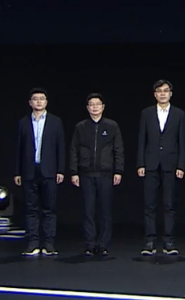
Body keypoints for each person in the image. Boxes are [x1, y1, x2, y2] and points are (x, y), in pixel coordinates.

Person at [136, 79, 185, 256]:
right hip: (150, 163)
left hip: (170, 164)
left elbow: (183, 141)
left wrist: (181, 165)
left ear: (170, 94)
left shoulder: (179, 114)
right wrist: (140, 163)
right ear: (155, 94)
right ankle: (149, 241)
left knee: (169, 204)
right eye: (159, 91)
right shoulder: (147, 113)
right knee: (149, 205)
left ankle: (169, 242)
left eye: (166, 91)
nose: (163, 94)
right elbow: (141, 139)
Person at [69, 93, 125, 257]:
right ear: (87, 108)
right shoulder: (81, 127)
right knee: (88, 210)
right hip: (86, 173)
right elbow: (74, 150)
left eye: (97, 104)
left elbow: (118, 150)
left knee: (105, 210)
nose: (94, 107)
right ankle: (90, 244)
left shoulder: (112, 126)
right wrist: (74, 172)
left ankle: (103, 244)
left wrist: (118, 170)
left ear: (103, 107)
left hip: (106, 174)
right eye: (91, 104)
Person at [14, 88, 66, 257]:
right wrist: (17, 172)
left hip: (49, 170)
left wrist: (60, 169)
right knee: (31, 209)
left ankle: (49, 243)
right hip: (29, 170)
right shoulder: (23, 122)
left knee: (49, 209)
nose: (38, 101)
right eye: (35, 99)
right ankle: (32, 243)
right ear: (30, 102)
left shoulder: (55, 122)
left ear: (46, 102)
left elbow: (60, 147)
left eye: (42, 99)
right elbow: (18, 149)